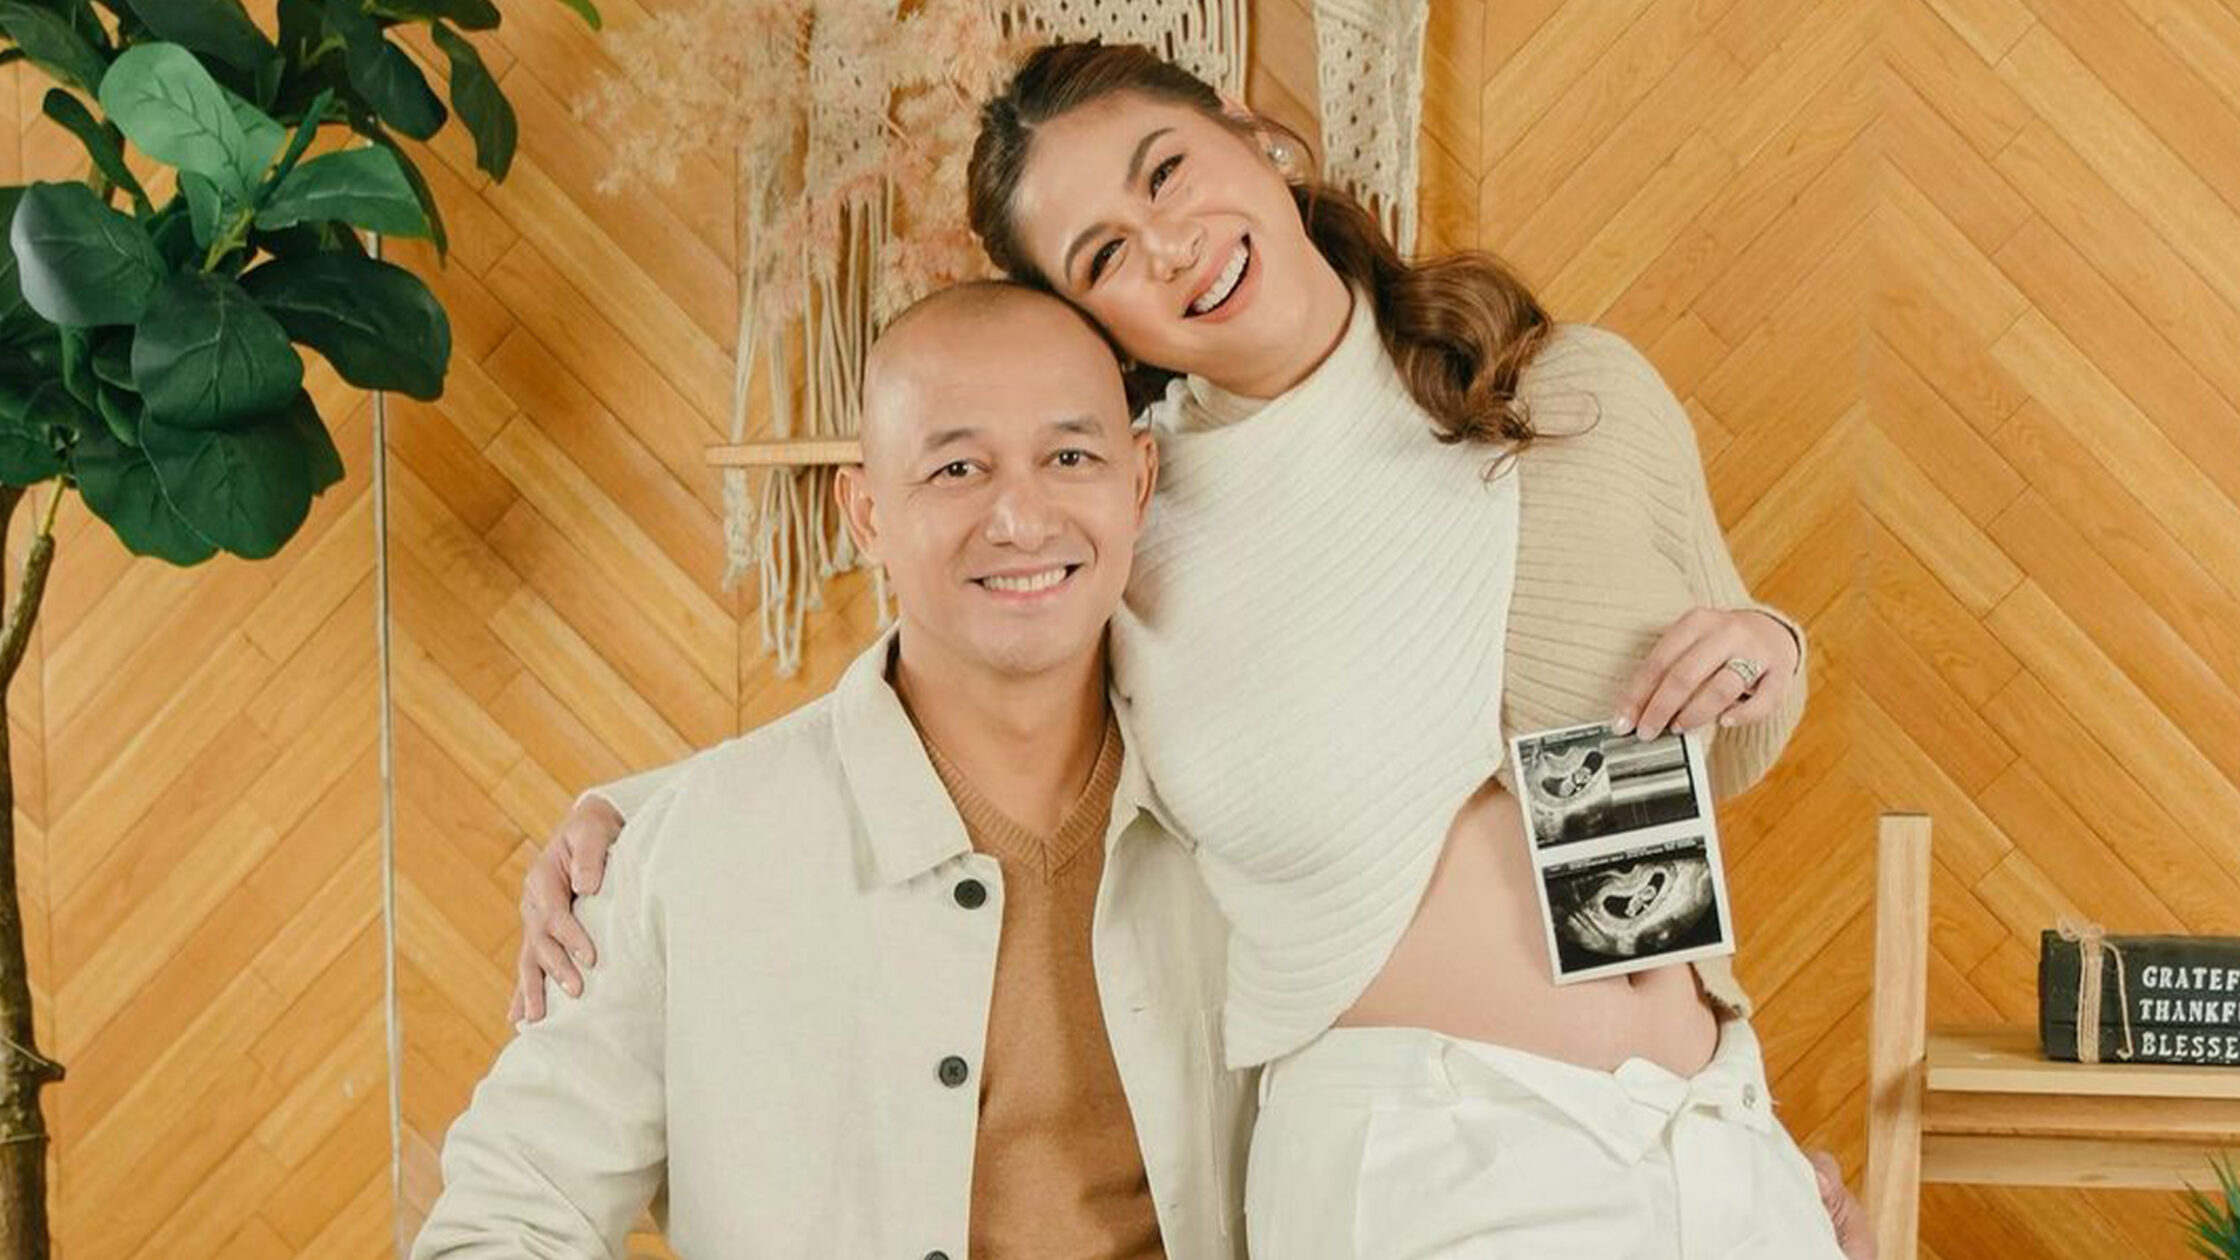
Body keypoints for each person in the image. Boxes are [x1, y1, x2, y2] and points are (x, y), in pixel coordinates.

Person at [516, 41, 1879, 1260]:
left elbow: (1710, 742)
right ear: (1100, 328)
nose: (1167, 247)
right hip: (1428, 1161)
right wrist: (633, 824)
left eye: (1165, 173)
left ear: (1255, 138)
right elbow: (936, 696)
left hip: (1707, 1123)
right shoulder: (1138, 508)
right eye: (1104, 257)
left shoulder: (1572, 390)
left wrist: (1770, 646)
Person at [416, 283, 1251, 1258]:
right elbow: (504, 1217)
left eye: (1070, 457)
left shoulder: (1252, 822)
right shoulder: (688, 855)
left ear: (1139, 483)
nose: (1021, 518)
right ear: (865, 512)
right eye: (957, 468)